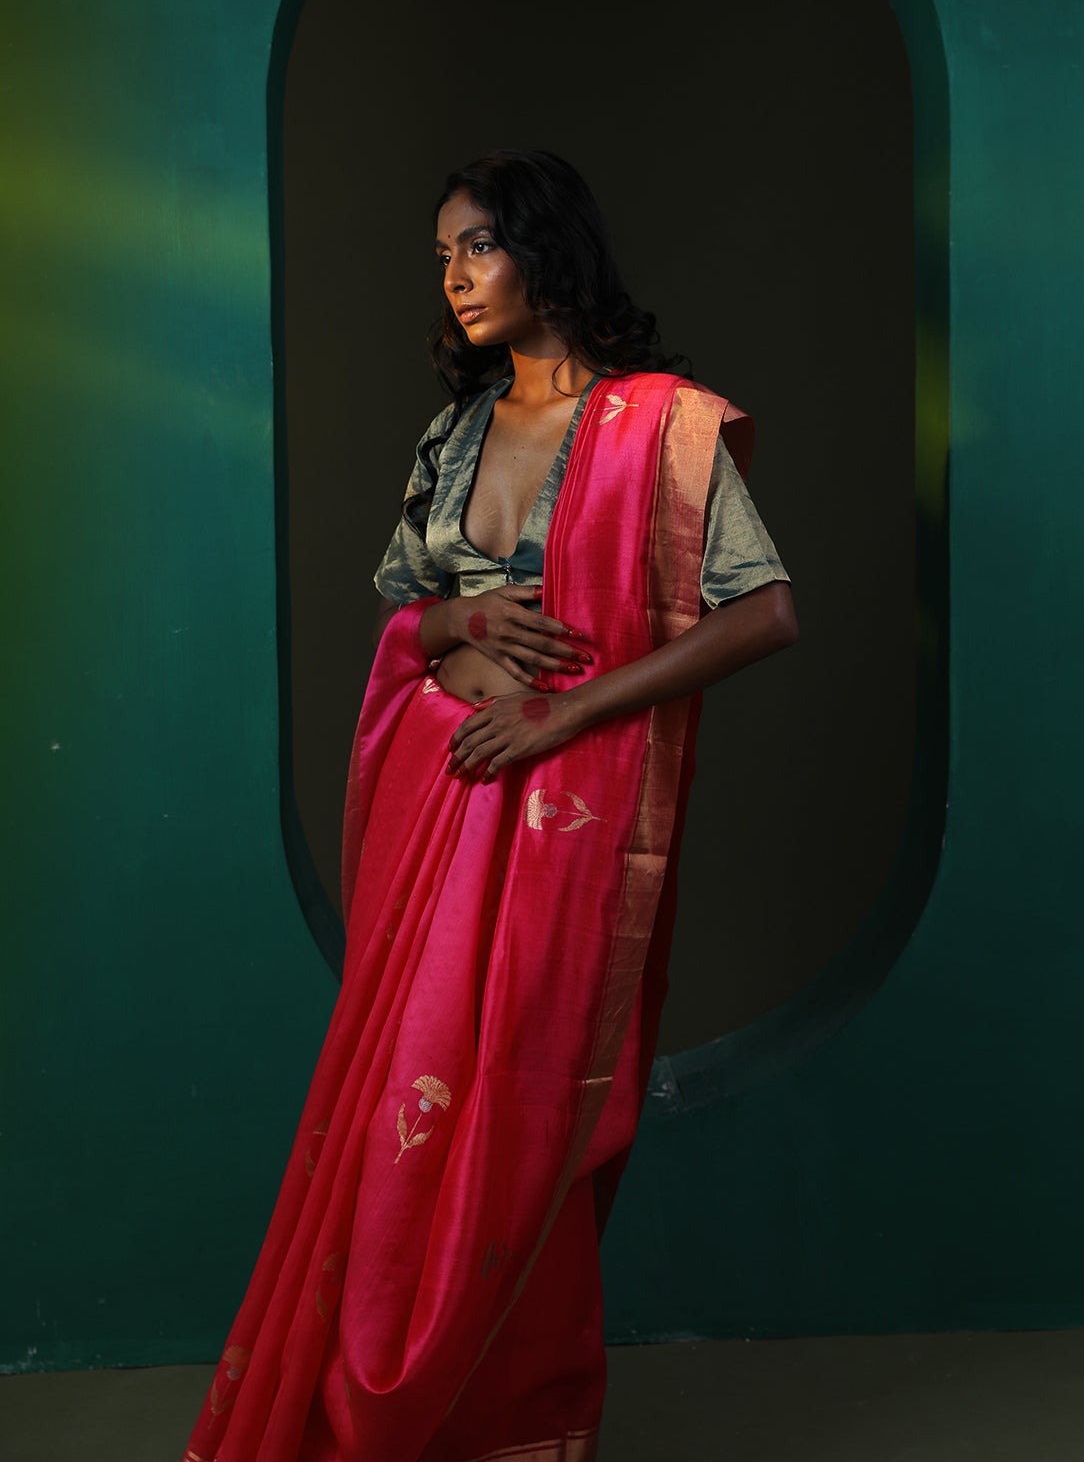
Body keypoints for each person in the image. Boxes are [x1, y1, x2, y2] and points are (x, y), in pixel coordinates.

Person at [184, 150, 797, 1462]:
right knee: (398, 1108)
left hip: (567, 811)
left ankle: (524, 1418)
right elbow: (406, 610)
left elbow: (767, 613)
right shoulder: (454, 431)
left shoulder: (661, 426)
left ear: (545, 250)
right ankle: (388, 1409)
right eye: (444, 254)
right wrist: (453, 619)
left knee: (522, 1111)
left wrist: (567, 711)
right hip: (433, 796)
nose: (455, 277)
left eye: (478, 247)